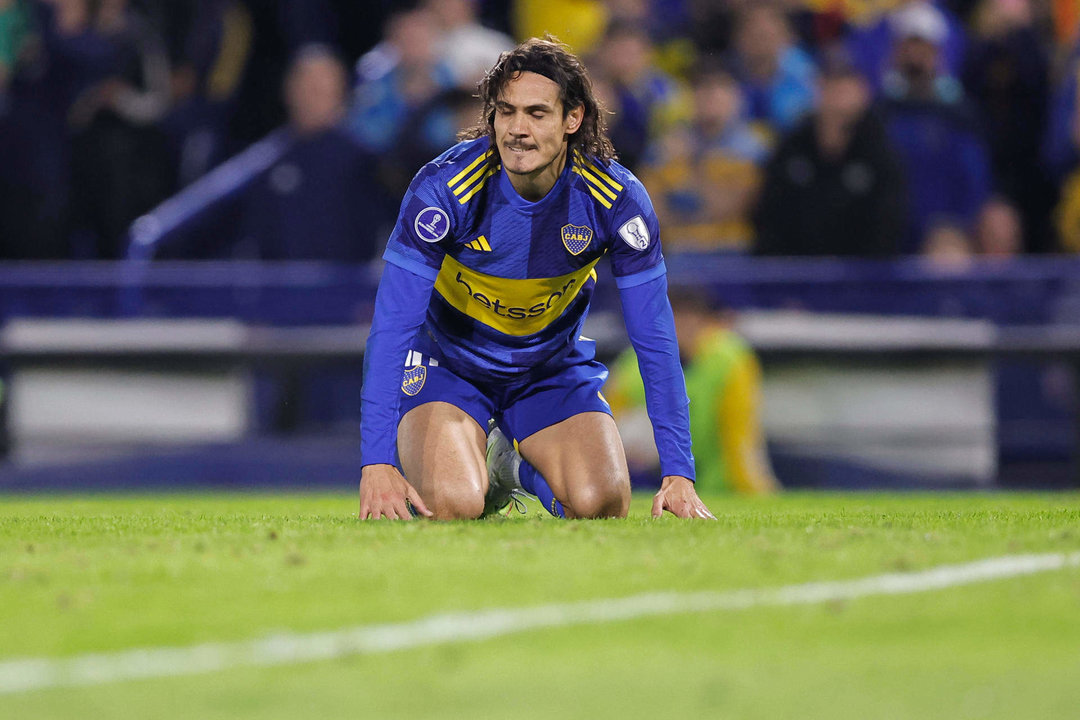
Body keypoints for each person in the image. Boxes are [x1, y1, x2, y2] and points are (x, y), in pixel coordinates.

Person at [358, 36, 714, 521]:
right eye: (506, 112)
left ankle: (511, 468)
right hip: (450, 366)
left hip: (547, 367)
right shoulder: (442, 192)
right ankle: (481, 467)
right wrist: (376, 461)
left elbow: (654, 339)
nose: (517, 130)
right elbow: (391, 328)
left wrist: (679, 472)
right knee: (454, 506)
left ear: (573, 119)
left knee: (603, 504)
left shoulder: (616, 200)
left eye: (536, 113)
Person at [605, 290, 780, 495]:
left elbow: (740, 436)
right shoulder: (633, 364)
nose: (680, 329)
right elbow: (609, 427)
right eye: (672, 319)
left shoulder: (727, 360)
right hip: (649, 483)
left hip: (718, 488)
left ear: (704, 321)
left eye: (687, 319)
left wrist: (758, 490)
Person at [754, 55, 906, 256]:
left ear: (864, 94)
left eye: (846, 89)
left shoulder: (881, 152)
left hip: (862, 277)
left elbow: (888, 221)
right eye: (832, 87)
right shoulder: (793, 146)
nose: (838, 98)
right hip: (796, 275)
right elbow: (770, 212)